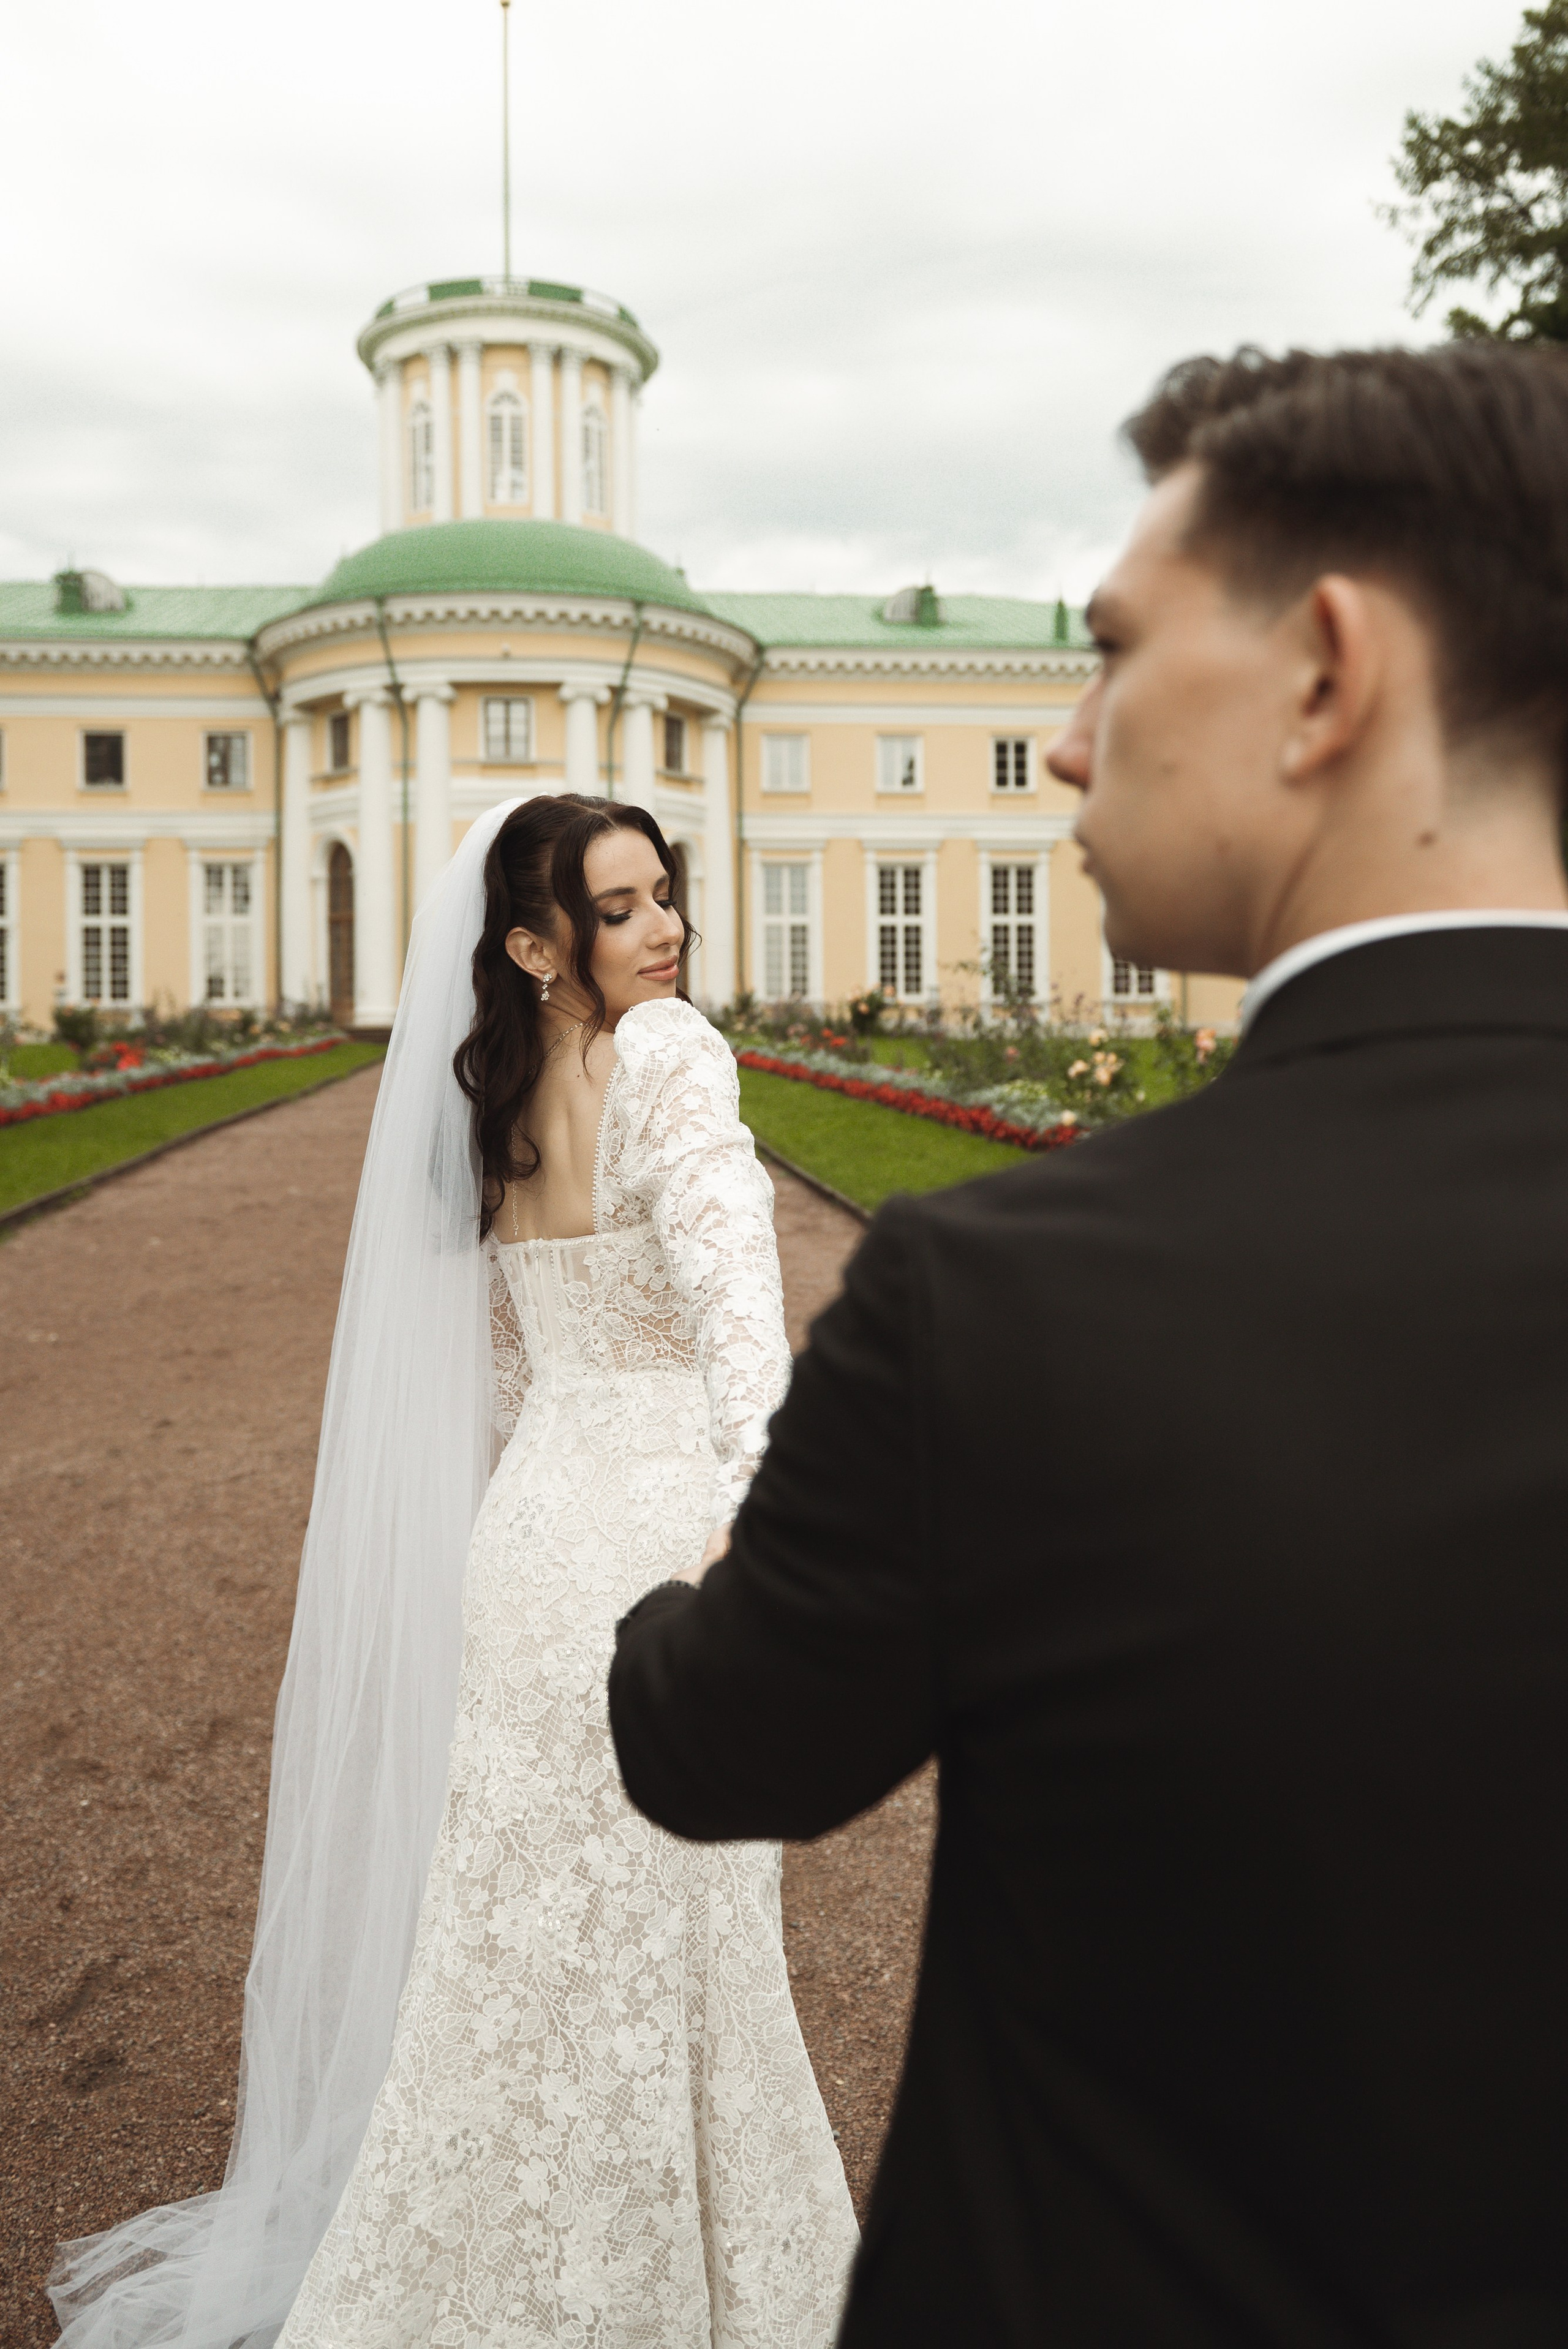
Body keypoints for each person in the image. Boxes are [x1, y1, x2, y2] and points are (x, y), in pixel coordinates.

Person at [608, 342, 1568, 2347]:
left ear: (1325, 670)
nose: (1061, 739)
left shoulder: (1010, 1294)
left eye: (1117, 650)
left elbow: (713, 1741)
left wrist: (679, 1571)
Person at [52, 794, 855, 2349]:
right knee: (687, 1942)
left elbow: (501, 1367)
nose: (664, 928)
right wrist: (758, 1516)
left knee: (513, 1942)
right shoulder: (674, 1056)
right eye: (619, 910)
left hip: (532, 1544)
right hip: (660, 1542)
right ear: (534, 943)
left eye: (663, 895)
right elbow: (740, 1315)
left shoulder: (489, 1088)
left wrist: (519, 1536)